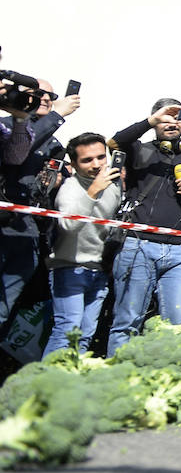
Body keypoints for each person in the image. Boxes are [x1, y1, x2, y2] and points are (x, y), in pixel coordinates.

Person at [106, 99, 181, 355]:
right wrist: (150, 121)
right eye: (165, 118)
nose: (171, 123)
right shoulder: (141, 152)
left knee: (179, 324)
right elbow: (115, 142)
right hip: (138, 244)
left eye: (177, 117)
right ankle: (115, 377)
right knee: (127, 322)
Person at [1, 79, 80, 334]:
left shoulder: (53, 143)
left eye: (51, 95)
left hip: (28, 234)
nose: (46, 98)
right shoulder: (5, 125)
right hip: (4, 228)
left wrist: (58, 180)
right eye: (38, 93)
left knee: (5, 312)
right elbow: (16, 153)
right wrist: (58, 115)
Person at [42, 132, 121, 356]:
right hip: (69, 268)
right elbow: (68, 225)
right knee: (67, 332)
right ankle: (43, 387)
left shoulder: (114, 186)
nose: (96, 165)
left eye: (100, 157)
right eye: (87, 160)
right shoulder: (70, 188)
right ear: (74, 164)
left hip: (99, 272)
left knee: (85, 335)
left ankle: (69, 383)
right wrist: (93, 191)